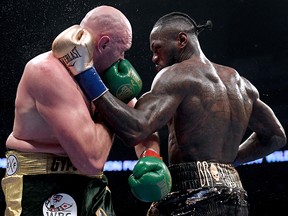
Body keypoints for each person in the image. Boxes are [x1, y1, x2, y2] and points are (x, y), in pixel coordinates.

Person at [69, 12, 287, 215]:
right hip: (236, 196)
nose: (154, 58)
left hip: (192, 193)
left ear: (182, 40)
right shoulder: (242, 84)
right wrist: (228, 161)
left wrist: (87, 75)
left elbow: (135, 129)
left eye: (158, 48)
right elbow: (276, 137)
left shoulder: (176, 75)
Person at [1, 5, 164, 216]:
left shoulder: (105, 76)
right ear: (104, 44)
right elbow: (92, 160)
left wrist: (150, 155)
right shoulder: (47, 72)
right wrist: (110, 103)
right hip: (41, 184)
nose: (123, 59)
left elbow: (141, 124)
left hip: (92, 189)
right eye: (122, 50)